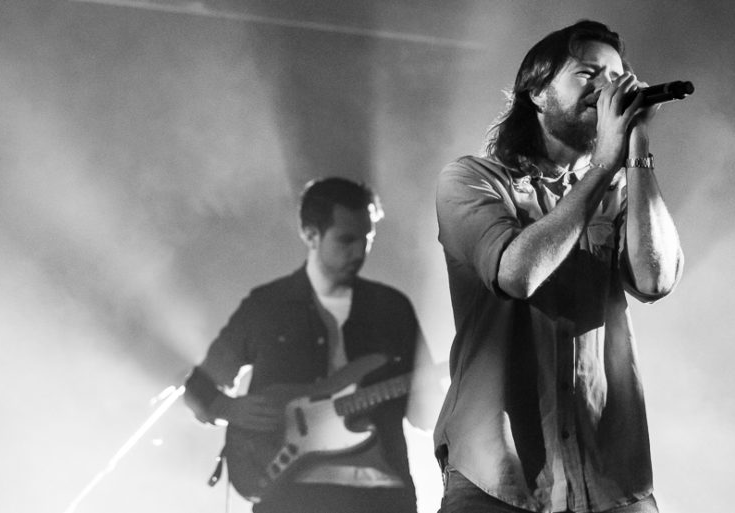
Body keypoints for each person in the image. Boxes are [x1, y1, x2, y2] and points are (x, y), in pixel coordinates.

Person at [433, 20, 684, 513]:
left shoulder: (617, 191)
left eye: (615, 76)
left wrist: (636, 148)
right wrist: (603, 166)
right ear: (537, 92)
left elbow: (656, 280)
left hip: (608, 474)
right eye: (588, 73)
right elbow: (517, 275)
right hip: (497, 474)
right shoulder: (470, 180)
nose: (607, 88)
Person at [184, 177, 442, 513]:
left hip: (383, 497)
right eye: (346, 239)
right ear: (310, 234)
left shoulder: (393, 308)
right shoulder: (267, 306)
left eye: (367, 238)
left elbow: (428, 415)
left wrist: (449, 392)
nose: (359, 251)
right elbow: (198, 387)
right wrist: (227, 408)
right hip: (290, 495)